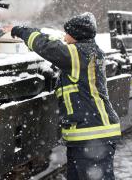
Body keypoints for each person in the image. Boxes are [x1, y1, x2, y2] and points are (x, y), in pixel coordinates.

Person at [6, 12, 121, 180]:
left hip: (92, 136)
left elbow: (46, 48)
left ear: (76, 35)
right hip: (88, 136)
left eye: (67, 33)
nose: (65, 37)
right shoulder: (89, 51)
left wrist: (21, 31)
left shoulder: (79, 53)